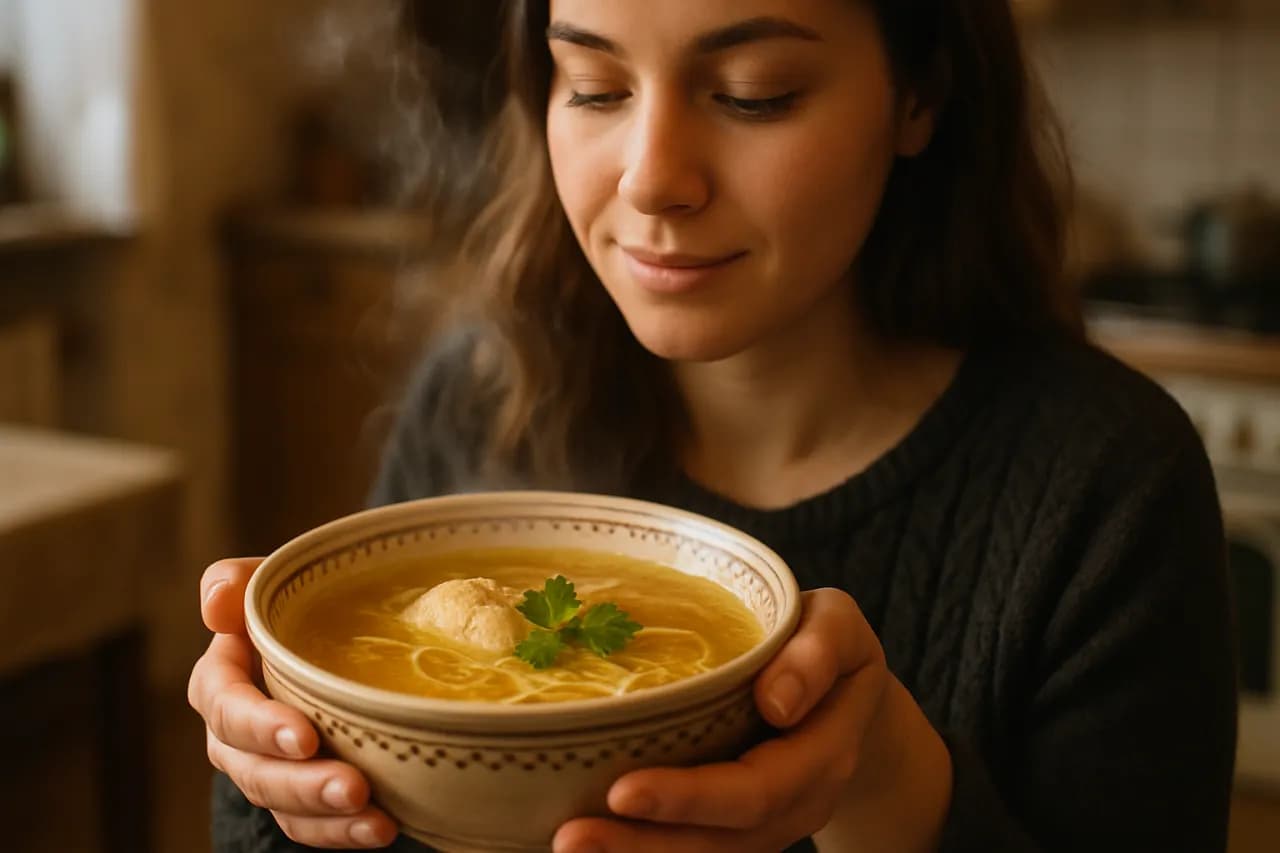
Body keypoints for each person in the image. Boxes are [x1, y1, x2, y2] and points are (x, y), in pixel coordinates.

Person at [188, 1, 1239, 851]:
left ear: (920, 93)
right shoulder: (474, 400)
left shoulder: (1105, 486)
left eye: (752, 94)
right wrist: (275, 770)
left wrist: (885, 789)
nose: (651, 178)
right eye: (594, 86)